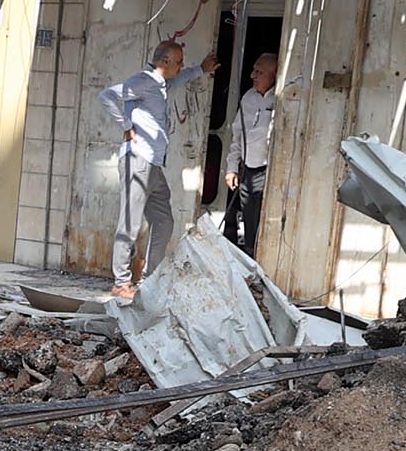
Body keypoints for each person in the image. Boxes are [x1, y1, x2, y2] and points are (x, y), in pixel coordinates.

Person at [91, 33, 211, 299]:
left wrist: (200, 70)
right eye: (178, 62)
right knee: (130, 222)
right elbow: (106, 96)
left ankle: (149, 279)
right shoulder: (142, 82)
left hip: (153, 164)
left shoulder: (161, 84)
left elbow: (180, 79)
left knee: (164, 220)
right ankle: (121, 281)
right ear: (165, 61)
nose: (180, 66)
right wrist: (125, 126)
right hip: (137, 159)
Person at [224, 49, 281, 260]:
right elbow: (237, 136)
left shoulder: (281, 98)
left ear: (273, 77)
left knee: (268, 221)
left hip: (271, 170)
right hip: (249, 169)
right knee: (248, 220)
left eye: (259, 72)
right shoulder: (248, 98)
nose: (253, 76)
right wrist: (232, 167)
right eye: (254, 71)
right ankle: (249, 261)